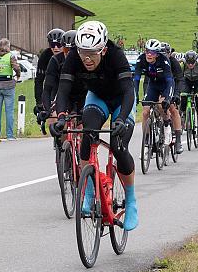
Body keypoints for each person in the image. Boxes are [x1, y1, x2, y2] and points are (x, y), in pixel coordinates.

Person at [50, 21, 139, 231]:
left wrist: (121, 119)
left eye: (92, 53)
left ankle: (132, 200)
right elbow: (63, 89)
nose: (86, 58)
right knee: (86, 133)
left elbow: (128, 91)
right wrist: (61, 118)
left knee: (119, 146)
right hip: (97, 97)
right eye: (83, 53)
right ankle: (88, 192)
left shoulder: (116, 55)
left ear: (103, 49)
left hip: (120, 101)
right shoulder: (74, 55)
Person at [134, 39, 175, 145]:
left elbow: (170, 81)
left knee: (162, 106)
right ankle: (146, 140)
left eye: (152, 52)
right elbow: (136, 79)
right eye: (147, 51)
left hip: (165, 86)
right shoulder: (141, 59)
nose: (149, 54)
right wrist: (135, 95)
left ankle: (167, 126)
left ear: (157, 54)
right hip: (153, 85)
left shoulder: (164, 61)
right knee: (145, 112)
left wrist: (168, 98)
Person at [0, 38, 21, 140]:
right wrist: (17, 76)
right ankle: (9, 135)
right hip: (9, 85)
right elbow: (17, 68)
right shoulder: (10, 56)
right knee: (9, 111)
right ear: (8, 46)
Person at [34, 28, 64, 119]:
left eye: (59, 45)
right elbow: (39, 80)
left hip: (68, 84)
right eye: (52, 45)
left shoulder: (69, 54)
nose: (55, 48)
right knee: (51, 115)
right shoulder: (45, 56)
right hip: (53, 85)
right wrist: (39, 102)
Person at [180, 50, 198, 137]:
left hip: (197, 82)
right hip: (186, 81)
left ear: (195, 61)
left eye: (192, 63)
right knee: (183, 98)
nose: (190, 65)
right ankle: (183, 117)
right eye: (188, 63)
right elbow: (179, 78)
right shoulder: (182, 65)